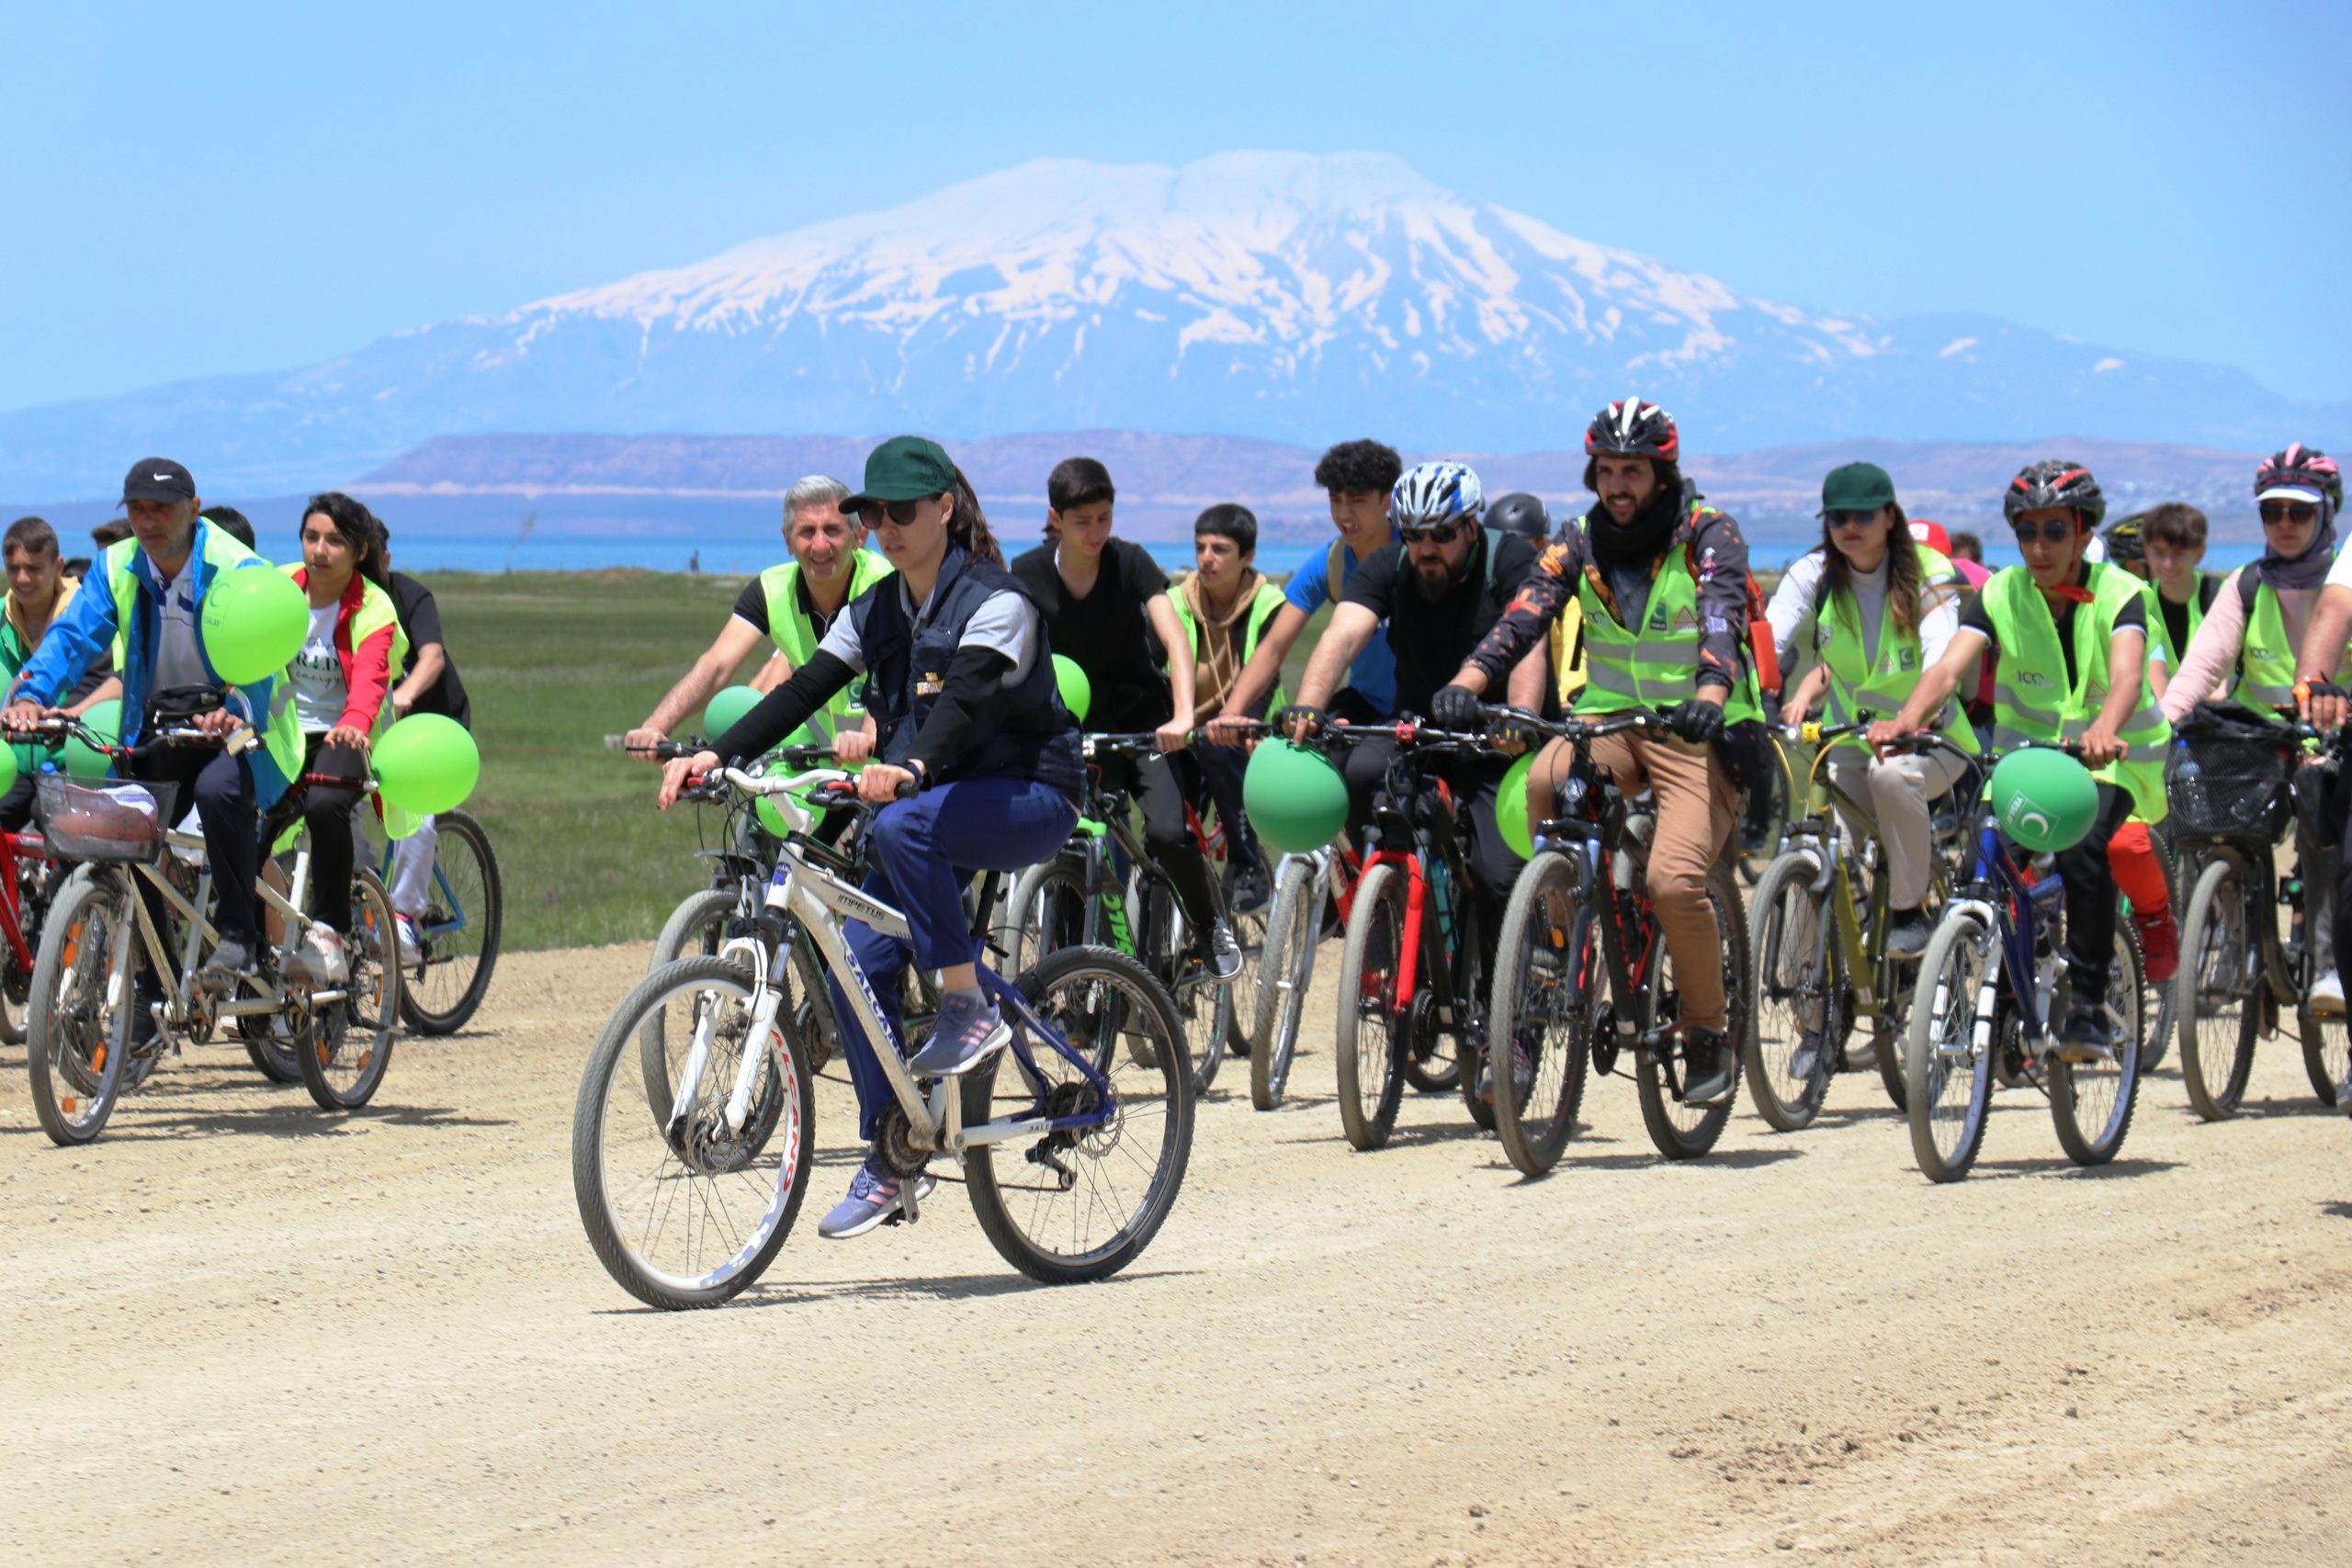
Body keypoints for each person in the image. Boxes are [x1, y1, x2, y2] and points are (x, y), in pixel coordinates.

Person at [659, 435, 1082, 1238]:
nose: (885, 526)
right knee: (855, 957)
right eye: (874, 513)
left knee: (902, 819)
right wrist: (718, 752)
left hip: (1030, 794)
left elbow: (963, 701)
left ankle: (967, 1004)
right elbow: (808, 685)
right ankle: (892, 1153)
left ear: (945, 509)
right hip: (932, 806)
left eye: (902, 511)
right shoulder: (877, 609)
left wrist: (911, 764)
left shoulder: (998, 600)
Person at [1434, 400, 1763, 1106]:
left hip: (1693, 731)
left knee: (1675, 883)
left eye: (1633, 471)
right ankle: (1555, 938)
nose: (1617, 485)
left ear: (1662, 472)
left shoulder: (1708, 533)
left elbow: (1721, 617)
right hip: (1609, 721)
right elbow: (1526, 611)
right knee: (1547, 780)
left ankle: (1707, 1031)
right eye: (1607, 470)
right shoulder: (1578, 539)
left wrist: (1710, 692)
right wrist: (1467, 681)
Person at [1871, 459, 2172, 1053]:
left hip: (2111, 762)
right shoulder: (2000, 592)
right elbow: (1950, 665)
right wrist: (1907, 719)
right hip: (2024, 763)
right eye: (2027, 532)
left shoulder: (2123, 593)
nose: (2039, 546)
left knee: (2086, 849)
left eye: (2055, 531)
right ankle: (1994, 997)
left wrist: (2106, 728)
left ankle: (2086, 1005)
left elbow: (2127, 677)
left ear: (2084, 533)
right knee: (1978, 869)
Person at [3, 458, 304, 1039]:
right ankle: (150, 988)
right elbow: (73, 636)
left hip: (238, 726)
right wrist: (33, 695)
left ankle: (239, 937)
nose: (146, 521)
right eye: (137, 509)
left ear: (194, 509)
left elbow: (262, 651)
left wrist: (235, 705)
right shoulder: (118, 566)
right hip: (159, 725)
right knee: (129, 825)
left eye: (160, 509)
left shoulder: (235, 564)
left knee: (220, 793)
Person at [1287, 461, 1545, 1100]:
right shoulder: (1393, 565)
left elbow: (1533, 639)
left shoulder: (1507, 560)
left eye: (1440, 534)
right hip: (1422, 733)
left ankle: (1506, 1026)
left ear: (1470, 527)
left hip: (1493, 741)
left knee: (1495, 873)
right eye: (1414, 534)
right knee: (1360, 777)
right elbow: (1343, 632)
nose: (1426, 548)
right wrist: (1308, 706)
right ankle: (1394, 924)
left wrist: (1519, 719)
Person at [1012, 457, 1238, 979]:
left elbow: (1173, 637)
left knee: (1168, 833)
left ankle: (1209, 926)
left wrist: (1182, 714)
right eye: (1082, 521)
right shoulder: (1025, 573)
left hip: (1141, 725)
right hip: (1068, 729)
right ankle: (1072, 979)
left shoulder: (1131, 562)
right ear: (1057, 518)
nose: (1096, 532)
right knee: (1066, 838)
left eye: (1105, 518)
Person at [1767, 463, 1973, 978]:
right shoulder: (1812, 574)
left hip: (1933, 744)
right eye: (1837, 516)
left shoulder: (1931, 572)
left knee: (1892, 774)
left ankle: (1908, 909)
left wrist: (1906, 721)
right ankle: (1810, 1011)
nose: (1848, 526)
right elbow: (1766, 641)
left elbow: (1942, 662)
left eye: (1862, 514)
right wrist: (1752, 697)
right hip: (1850, 746)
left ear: (1890, 517)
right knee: (1815, 853)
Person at [627, 475, 891, 762]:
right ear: (787, 540)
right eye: (806, 532)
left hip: (890, 757)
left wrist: (867, 738)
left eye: (832, 530)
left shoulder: (885, 584)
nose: (819, 545)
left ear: (859, 537)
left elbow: (894, 682)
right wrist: (656, 726)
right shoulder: (771, 590)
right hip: (826, 755)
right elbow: (716, 665)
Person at [272, 493, 408, 983]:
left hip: (347, 734)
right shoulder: (281, 588)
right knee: (238, 824)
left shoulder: (373, 606)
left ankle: (331, 934)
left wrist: (356, 721)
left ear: (359, 551)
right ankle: (248, 947)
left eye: (334, 541)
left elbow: (372, 675)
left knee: (326, 805)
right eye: (311, 537)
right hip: (283, 733)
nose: (319, 550)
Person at [1209, 440, 1403, 738]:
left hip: (1417, 707)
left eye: (1357, 501)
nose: (1344, 514)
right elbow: (1274, 646)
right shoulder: (1332, 561)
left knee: (1365, 770)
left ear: (1387, 501)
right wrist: (1230, 714)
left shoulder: (1418, 553)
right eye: (1335, 500)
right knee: (1304, 748)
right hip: (1363, 703)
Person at [1170, 503, 1287, 913]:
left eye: (1220, 549)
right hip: (1185, 730)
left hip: (1250, 733)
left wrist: (1243, 723)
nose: (1206, 558)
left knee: (1219, 747)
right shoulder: (1174, 602)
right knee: (1168, 829)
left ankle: (1246, 862)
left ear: (1248, 557)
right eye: (1200, 547)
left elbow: (1268, 674)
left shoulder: (1270, 604)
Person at [379, 530, 472, 961]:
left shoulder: (410, 596)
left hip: (433, 723)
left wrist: (404, 695)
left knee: (414, 807)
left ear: (383, 556)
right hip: (370, 725)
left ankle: (404, 917)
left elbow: (431, 656)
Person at [0, 516, 113, 828]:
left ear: (58, 565)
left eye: (33, 568)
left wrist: (63, 714)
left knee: (52, 819)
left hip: (75, 762)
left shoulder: (87, 619)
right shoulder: (1, 619)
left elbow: (105, 681)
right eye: (13, 569)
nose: (22, 579)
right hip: (13, 761)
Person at [2134, 503, 2217, 701]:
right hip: (2168, 717)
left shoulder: (2221, 597)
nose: (2167, 564)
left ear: (2198, 554)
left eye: (2179, 553)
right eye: (2159, 552)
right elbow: (2153, 669)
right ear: (2146, 552)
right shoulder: (2138, 602)